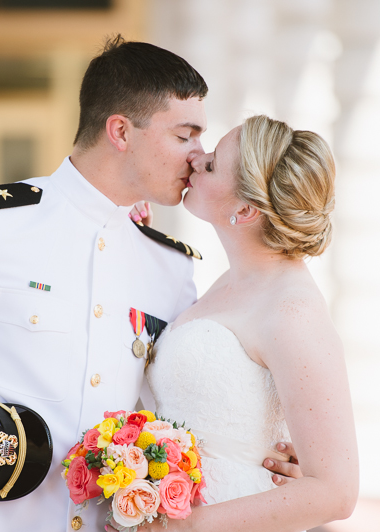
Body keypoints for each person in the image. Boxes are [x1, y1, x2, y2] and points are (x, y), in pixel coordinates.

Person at [0, 37, 296, 532]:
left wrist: (261, 458)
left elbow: (178, 398)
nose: (197, 156)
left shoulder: (169, 264)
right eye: (185, 135)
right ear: (121, 131)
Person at [142, 115, 359, 531]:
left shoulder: (292, 312)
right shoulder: (229, 282)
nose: (195, 160)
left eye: (211, 165)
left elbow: (337, 491)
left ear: (244, 208)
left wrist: (182, 527)